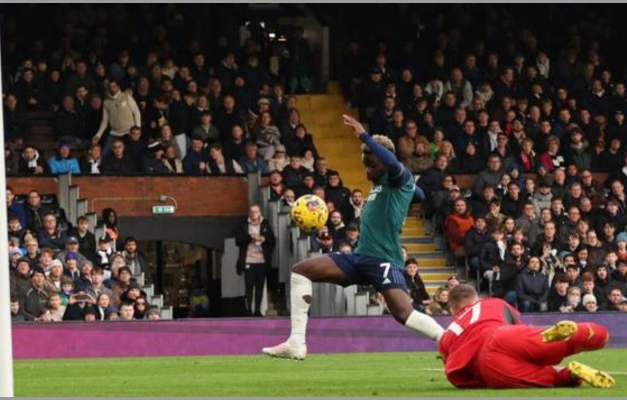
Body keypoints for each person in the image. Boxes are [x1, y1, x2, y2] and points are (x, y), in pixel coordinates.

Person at [262, 115, 443, 360]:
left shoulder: (398, 177)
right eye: (364, 165)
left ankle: (450, 341)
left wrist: (364, 134)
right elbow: (418, 194)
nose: (366, 169)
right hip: (359, 258)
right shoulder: (387, 185)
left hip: (383, 260)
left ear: (384, 160)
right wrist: (414, 192)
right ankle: (296, 342)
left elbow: (397, 168)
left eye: (371, 164)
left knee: (404, 314)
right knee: (301, 270)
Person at [439, 284, 614, 389]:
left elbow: (456, 377)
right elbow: (518, 325)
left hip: (490, 368)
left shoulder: (447, 336)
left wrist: (483, 380)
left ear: (453, 309)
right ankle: (585, 332)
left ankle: (571, 374)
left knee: (548, 378)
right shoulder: (491, 303)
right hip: (504, 336)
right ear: (476, 299)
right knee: (575, 340)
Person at [235, 205, 276, 316]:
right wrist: (250, 238)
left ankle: (257, 310)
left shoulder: (265, 224)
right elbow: (238, 241)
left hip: (262, 261)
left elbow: (272, 240)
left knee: (260, 286)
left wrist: (263, 239)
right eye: (252, 212)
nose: (254, 214)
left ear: (260, 213)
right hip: (248, 260)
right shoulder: (243, 225)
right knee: (249, 286)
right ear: (249, 213)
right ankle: (249, 310)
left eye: (256, 212)